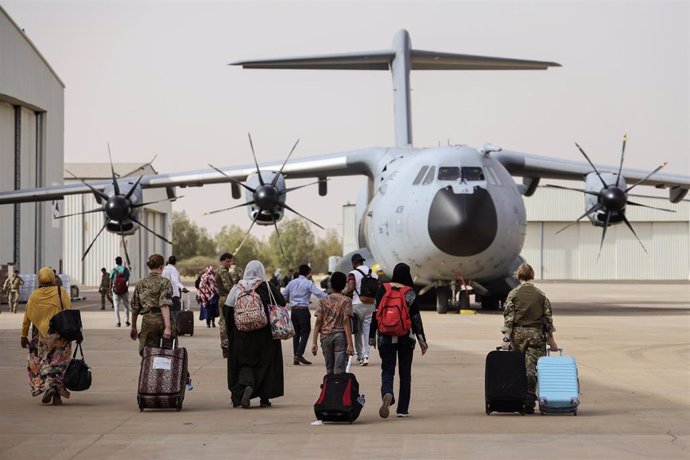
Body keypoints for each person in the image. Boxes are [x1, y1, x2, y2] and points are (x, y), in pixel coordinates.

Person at [369, 262, 428, 418]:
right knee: (405, 374)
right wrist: (422, 340)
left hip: (384, 336)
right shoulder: (410, 293)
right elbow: (416, 318)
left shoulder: (383, 289)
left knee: (387, 370)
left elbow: (375, 313)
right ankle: (402, 409)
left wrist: (371, 336)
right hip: (405, 337)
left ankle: (387, 393)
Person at [224, 260, 285, 408]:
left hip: (242, 335)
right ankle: (264, 398)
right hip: (264, 335)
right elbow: (281, 303)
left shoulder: (236, 288)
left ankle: (246, 387)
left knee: (245, 363)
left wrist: (232, 333)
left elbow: (227, 311)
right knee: (266, 363)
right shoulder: (267, 287)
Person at [500, 262, 558, 414]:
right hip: (536, 335)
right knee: (531, 370)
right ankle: (529, 402)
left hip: (517, 336)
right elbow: (547, 320)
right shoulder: (541, 295)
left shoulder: (513, 294)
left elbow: (509, 319)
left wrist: (506, 339)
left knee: (517, 368)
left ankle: (516, 398)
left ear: (518, 276)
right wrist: (551, 341)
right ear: (532, 275)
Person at [20, 267, 75, 405]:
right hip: (60, 334)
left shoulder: (34, 296)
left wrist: (23, 335)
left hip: (42, 336)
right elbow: (69, 311)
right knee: (60, 363)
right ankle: (56, 392)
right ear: (52, 278)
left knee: (45, 362)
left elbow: (27, 317)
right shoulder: (60, 291)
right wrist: (77, 332)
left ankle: (49, 386)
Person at [130, 254, 176, 356]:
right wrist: (168, 327)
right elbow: (164, 305)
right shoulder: (165, 282)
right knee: (167, 354)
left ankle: (149, 371)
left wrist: (133, 327)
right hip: (162, 320)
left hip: (147, 322)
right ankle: (163, 372)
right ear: (161, 266)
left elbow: (135, 308)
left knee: (148, 355)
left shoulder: (140, 283)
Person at [282, 264, 326, 365]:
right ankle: (299, 354)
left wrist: (290, 300)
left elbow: (283, 294)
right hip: (303, 310)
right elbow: (318, 294)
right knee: (305, 333)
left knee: (296, 334)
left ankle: (295, 356)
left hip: (293, 311)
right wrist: (330, 297)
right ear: (308, 273)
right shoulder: (308, 283)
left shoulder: (292, 282)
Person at [311, 272, 354, 374]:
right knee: (339, 370)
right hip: (340, 337)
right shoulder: (346, 300)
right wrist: (350, 344)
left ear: (331, 284)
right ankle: (338, 389)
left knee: (329, 369)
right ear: (344, 285)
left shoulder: (323, 301)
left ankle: (329, 389)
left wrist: (314, 342)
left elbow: (318, 322)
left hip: (325, 337)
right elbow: (346, 321)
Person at [343, 253, 378, 366]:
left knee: (357, 331)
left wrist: (343, 294)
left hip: (357, 305)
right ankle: (366, 355)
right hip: (370, 304)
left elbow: (351, 288)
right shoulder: (373, 273)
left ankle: (359, 357)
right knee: (367, 331)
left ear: (354, 263)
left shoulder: (353, 273)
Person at [216, 252, 241, 358]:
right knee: (225, 323)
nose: (230, 263)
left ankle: (226, 346)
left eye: (230, 261)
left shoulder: (223, 271)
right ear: (222, 261)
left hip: (224, 298)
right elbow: (227, 286)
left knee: (225, 322)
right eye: (227, 261)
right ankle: (226, 346)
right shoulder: (223, 271)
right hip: (226, 299)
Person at [162, 255, 189, 322]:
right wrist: (183, 287)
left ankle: (169, 325)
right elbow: (175, 280)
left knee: (168, 310)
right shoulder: (173, 269)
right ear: (175, 262)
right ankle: (176, 326)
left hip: (165, 293)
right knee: (177, 310)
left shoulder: (164, 269)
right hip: (174, 293)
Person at [110, 256, 131, 327]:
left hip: (116, 291)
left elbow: (111, 279)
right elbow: (128, 279)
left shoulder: (114, 270)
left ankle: (118, 322)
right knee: (126, 305)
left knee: (116, 306)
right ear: (121, 261)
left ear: (116, 262)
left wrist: (110, 289)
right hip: (124, 290)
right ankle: (127, 321)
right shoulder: (125, 269)